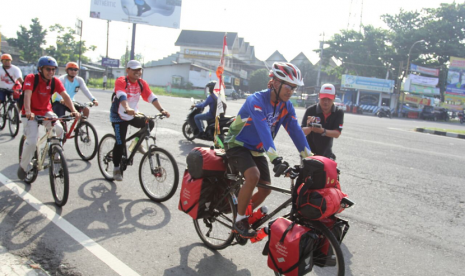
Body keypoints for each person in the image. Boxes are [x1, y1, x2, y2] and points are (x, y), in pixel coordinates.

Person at [224, 62, 312, 238]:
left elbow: (295, 131)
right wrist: (275, 159)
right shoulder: (255, 100)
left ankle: (243, 210)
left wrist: (310, 158)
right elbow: (263, 129)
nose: (291, 91)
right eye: (289, 86)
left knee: (266, 189)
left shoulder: (286, 106)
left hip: (256, 149)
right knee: (254, 176)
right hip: (237, 144)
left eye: (294, 88)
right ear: (275, 83)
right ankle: (239, 220)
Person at [17, 56, 80, 180]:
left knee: (60, 129)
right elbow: (27, 95)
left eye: (53, 69)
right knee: (32, 142)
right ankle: (23, 167)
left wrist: (74, 111)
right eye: (48, 69)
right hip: (30, 113)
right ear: (40, 69)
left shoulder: (55, 81)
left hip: (46, 111)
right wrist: (28, 111)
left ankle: (55, 152)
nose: (51, 72)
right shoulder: (31, 78)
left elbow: (66, 96)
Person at [110, 60, 170, 181]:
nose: (138, 72)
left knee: (149, 123)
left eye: (139, 70)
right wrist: (127, 107)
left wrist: (162, 110)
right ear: (127, 70)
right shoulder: (121, 81)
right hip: (119, 115)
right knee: (120, 142)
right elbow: (122, 95)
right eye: (134, 70)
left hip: (133, 114)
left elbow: (150, 96)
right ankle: (116, 167)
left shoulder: (141, 83)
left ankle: (135, 145)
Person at [301, 83, 344, 160]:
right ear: (319, 96)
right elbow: (301, 132)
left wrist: (322, 131)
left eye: (329, 99)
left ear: (334, 98)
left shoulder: (338, 112)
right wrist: (309, 127)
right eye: (323, 98)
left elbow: (337, 133)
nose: (326, 102)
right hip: (308, 153)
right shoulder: (311, 110)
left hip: (327, 154)